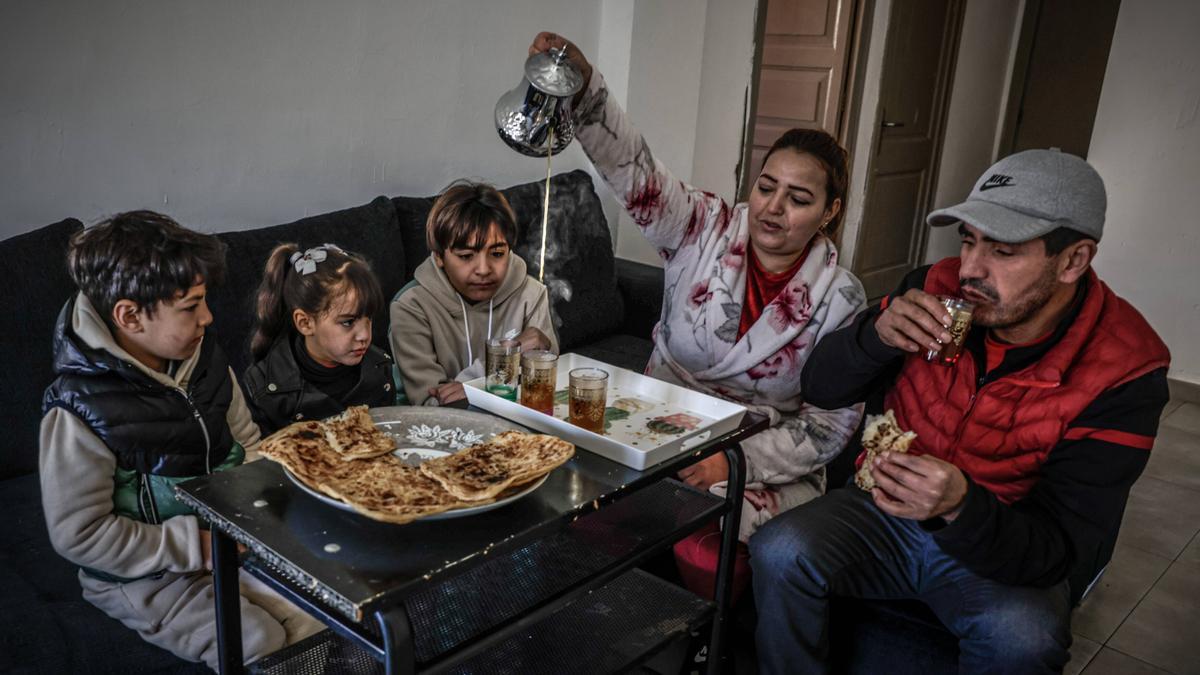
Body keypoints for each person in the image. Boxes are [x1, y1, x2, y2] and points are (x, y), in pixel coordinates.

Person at [751, 149, 1172, 674]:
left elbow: (1061, 547)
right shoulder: (933, 289)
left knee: (1024, 641)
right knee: (778, 551)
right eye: (968, 240)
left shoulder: (1124, 372)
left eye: (1004, 251)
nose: (971, 269)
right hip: (882, 513)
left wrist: (961, 505)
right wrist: (873, 337)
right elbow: (821, 387)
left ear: (1073, 261)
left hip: (1000, 537)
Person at [527, 33, 867, 603]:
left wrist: (729, 463)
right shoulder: (701, 226)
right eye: (765, 187)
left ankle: (707, 652)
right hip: (652, 431)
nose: (772, 209)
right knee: (575, 513)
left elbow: (829, 427)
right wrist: (584, 90)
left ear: (830, 211)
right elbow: (635, 172)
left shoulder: (842, 300)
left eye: (799, 198)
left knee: (703, 549)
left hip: (759, 456)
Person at [40, 211, 323, 669]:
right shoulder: (77, 411)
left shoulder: (205, 361)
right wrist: (197, 546)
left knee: (317, 611)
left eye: (204, 300)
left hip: (229, 541)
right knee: (256, 639)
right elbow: (81, 534)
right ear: (129, 315)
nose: (209, 318)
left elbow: (248, 443)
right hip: (142, 576)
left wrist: (272, 512)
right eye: (191, 306)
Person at [390, 180, 558, 406]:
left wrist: (467, 389)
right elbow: (432, 406)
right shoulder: (411, 306)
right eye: (466, 256)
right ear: (439, 256)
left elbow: (543, 389)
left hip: (516, 428)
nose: (483, 269)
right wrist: (507, 356)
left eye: (497, 254)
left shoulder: (531, 294)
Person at [243, 243, 394, 434]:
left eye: (369, 318)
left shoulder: (380, 367)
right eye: (348, 322)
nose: (364, 335)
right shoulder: (265, 390)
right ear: (305, 323)